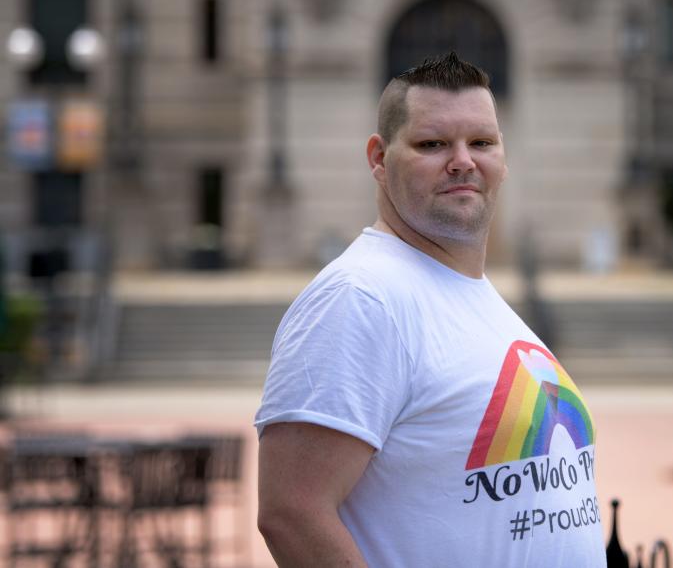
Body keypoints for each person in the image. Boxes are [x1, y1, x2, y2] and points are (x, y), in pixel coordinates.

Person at [255, 52, 605, 567]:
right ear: (378, 157)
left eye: (482, 142)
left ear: (503, 159)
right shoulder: (362, 297)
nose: (463, 160)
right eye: (433, 144)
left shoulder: (477, 298)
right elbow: (291, 511)